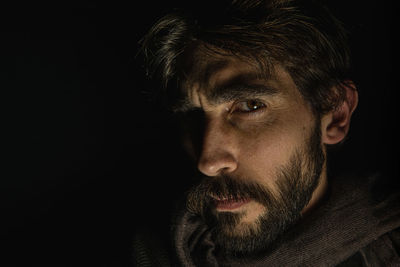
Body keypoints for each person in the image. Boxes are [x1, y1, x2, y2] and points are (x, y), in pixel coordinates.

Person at [134, 0, 400, 266]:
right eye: (191, 115)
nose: (209, 163)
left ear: (335, 116)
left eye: (250, 106)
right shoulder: (145, 252)